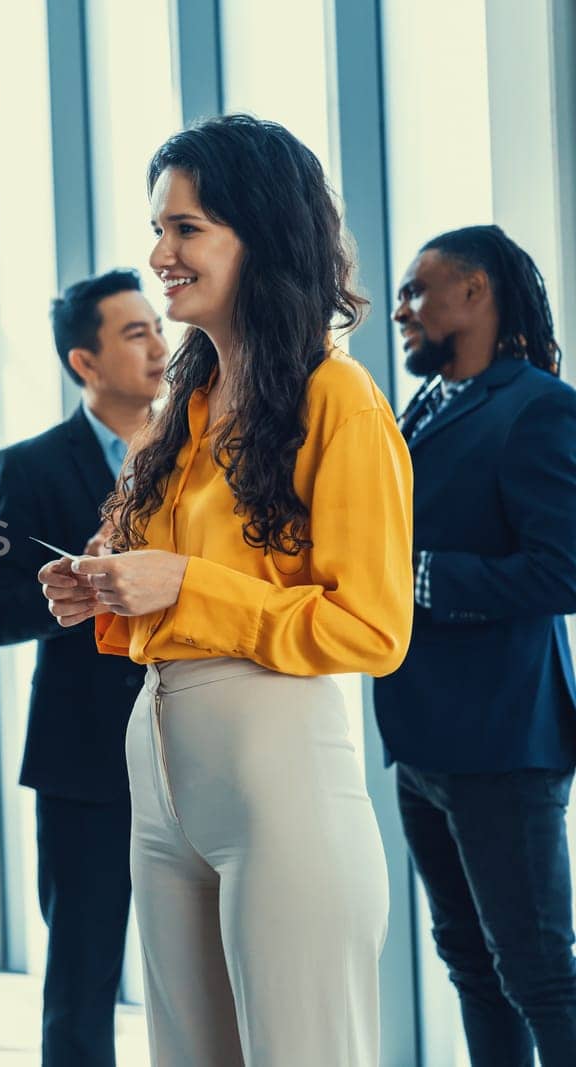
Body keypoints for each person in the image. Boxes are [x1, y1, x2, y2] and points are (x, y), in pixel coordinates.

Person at [41, 115, 413, 1066]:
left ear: (263, 234)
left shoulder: (339, 398)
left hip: (276, 766)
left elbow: (373, 626)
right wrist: (105, 587)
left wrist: (184, 583)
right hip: (161, 766)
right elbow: (177, 587)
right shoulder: (185, 411)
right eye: (158, 227)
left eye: (187, 228)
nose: (160, 252)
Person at [376, 225, 576, 1064]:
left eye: (418, 291)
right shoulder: (421, 407)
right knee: (468, 962)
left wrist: (410, 576)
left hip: (502, 740)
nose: (401, 309)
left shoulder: (537, 406)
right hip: (421, 738)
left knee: (537, 972)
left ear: (476, 292)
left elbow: (560, 570)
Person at [0, 268, 165, 1066]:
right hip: (82, 764)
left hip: (191, 747)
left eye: (158, 326)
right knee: (82, 984)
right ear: (84, 362)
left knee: (205, 974)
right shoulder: (30, 466)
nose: (160, 345)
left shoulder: (203, 451)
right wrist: (76, 588)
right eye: (135, 333)